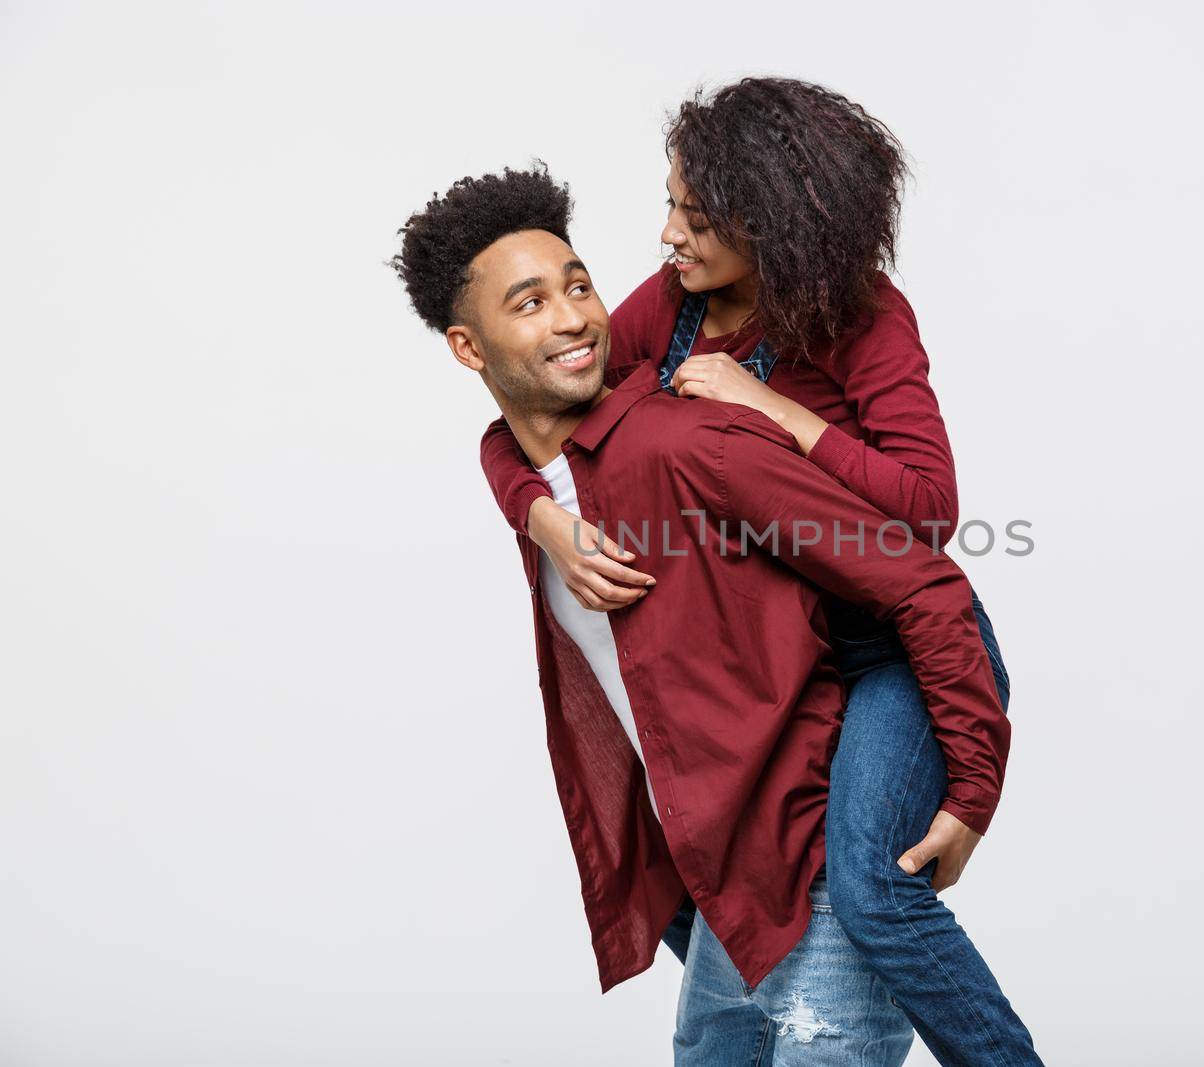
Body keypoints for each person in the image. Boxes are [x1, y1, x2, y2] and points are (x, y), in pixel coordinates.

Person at [390, 163, 1014, 1065]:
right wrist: (535, 512)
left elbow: (924, 546)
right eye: (532, 302)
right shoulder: (658, 324)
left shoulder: (756, 395)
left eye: (576, 287)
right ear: (467, 346)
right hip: (730, 838)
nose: (575, 314)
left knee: (878, 892)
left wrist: (971, 790)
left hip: (879, 680)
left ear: (770, 224)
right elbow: (525, 424)